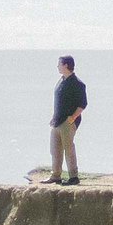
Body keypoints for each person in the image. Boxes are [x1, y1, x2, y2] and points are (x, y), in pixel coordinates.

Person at [49, 55, 87, 184]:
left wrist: (72, 118)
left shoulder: (77, 83)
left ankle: (73, 177)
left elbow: (82, 104)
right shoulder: (61, 80)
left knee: (68, 148)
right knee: (55, 149)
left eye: (59, 64)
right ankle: (55, 175)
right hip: (57, 121)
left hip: (68, 121)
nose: (57, 66)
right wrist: (54, 117)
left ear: (66, 65)